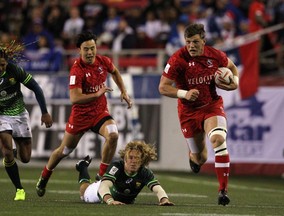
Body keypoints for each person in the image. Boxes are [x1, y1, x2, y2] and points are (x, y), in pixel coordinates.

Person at [36, 31, 133, 197]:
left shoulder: (103, 61)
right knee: (63, 151)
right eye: (86, 49)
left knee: (113, 134)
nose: (90, 52)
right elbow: (74, 98)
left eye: (92, 48)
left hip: (99, 113)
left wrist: (124, 91)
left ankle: (102, 174)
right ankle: (44, 176)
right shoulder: (77, 69)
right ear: (79, 50)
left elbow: (115, 72)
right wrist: (97, 93)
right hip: (80, 117)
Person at [158, 23, 239, 206]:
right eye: (188, 42)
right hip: (188, 112)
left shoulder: (215, 55)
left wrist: (235, 83)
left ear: (204, 41)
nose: (191, 46)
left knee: (218, 139)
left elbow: (233, 69)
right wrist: (184, 93)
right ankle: (193, 158)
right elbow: (162, 87)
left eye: (195, 42)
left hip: (211, 105)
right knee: (200, 158)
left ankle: (223, 191)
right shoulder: (178, 59)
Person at [0, 42, 53, 201]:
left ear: (7, 62)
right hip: (2, 116)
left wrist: (44, 112)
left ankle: (13, 153)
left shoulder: (14, 71)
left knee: (25, 158)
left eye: (2, 64)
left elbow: (36, 87)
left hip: (19, 115)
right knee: (7, 149)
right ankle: (19, 189)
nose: (0, 68)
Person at [75, 140, 174, 206]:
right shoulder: (117, 166)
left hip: (123, 200)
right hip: (100, 193)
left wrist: (164, 200)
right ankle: (83, 167)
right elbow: (104, 185)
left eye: (137, 158)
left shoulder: (145, 172)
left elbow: (158, 189)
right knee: (84, 194)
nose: (133, 161)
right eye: (131, 157)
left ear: (142, 160)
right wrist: (110, 201)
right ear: (125, 158)